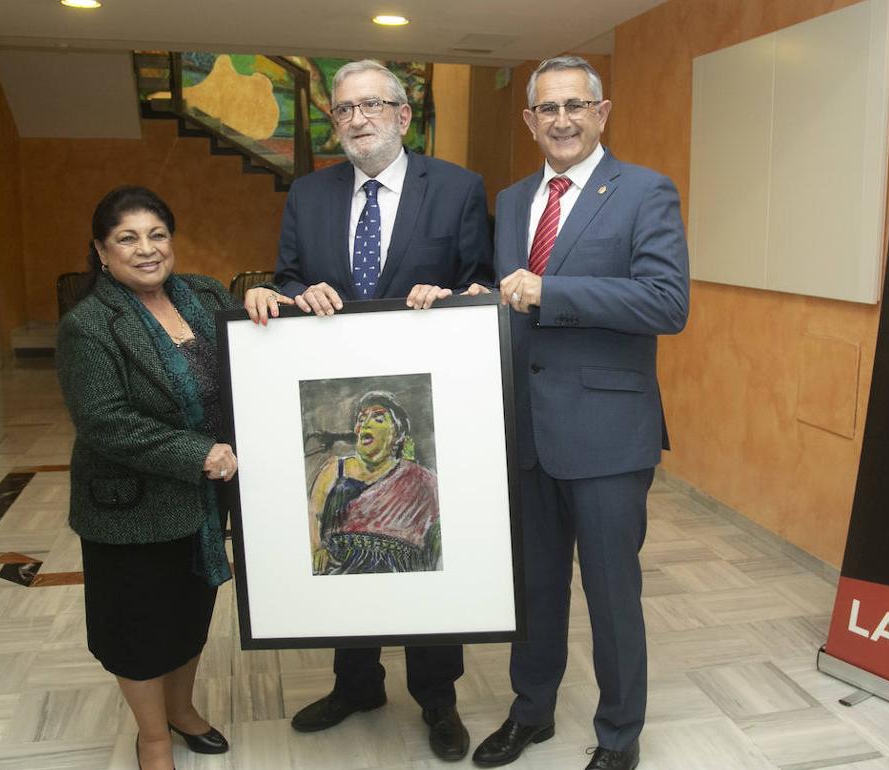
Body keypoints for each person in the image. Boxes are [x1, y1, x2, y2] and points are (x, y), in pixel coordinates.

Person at [409, 55, 690, 770]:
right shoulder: (512, 199)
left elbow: (667, 302)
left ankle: (620, 739)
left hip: (606, 437)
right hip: (525, 433)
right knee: (533, 593)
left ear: (602, 112)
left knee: (611, 597)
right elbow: (509, 307)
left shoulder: (644, 192)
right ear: (529, 120)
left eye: (576, 105)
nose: (561, 120)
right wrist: (462, 306)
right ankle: (530, 713)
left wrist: (551, 291)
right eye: (547, 109)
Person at [243, 59, 491, 761]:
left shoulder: (458, 189)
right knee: (346, 541)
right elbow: (288, 277)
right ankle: (357, 683)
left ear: (404, 116)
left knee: (419, 548)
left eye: (372, 106)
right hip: (344, 398)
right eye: (344, 110)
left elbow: (481, 283)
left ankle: (437, 699)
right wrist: (294, 290)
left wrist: (454, 297)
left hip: (426, 407)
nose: (356, 120)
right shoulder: (309, 192)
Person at [57, 186, 240, 770]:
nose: (146, 250)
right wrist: (198, 453)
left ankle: (181, 711)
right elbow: (105, 423)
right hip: (130, 504)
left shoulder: (206, 295)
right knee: (138, 626)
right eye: (127, 239)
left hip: (205, 498)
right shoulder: (89, 324)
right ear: (101, 251)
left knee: (190, 613)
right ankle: (153, 737)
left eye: (157, 234)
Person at [308, 391, 441, 575]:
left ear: (397, 434)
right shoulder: (333, 470)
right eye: (362, 419)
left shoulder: (422, 481)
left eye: (378, 418)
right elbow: (313, 514)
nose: (365, 424)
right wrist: (316, 550)